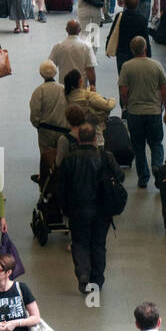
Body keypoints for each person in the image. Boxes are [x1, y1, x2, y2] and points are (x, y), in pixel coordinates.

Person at [56, 123, 122, 292]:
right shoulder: (106, 157)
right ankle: (97, 279)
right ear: (95, 138)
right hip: (102, 208)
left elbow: (62, 186)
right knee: (99, 244)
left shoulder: (69, 159)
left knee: (80, 243)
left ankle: (83, 275)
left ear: (78, 138)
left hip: (78, 209)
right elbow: (119, 176)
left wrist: (65, 209)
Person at [117, 36, 166, 189]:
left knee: (138, 146)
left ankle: (143, 178)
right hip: (154, 111)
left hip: (135, 112)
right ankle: (157, 167)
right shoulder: (156, 65)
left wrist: (126, 105)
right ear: (145, 48)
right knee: (156, 143)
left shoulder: (127, 67)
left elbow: (124, 91)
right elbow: (165, 91)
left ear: (132, 50)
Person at [30, 59, 69, 185]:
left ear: (41, 74)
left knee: (46, 157)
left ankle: (46, 184)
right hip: (63, 130)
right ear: (55, 72)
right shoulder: (64, 89)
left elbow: (35, 113)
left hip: (46, 130)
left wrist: (38, 125)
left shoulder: (38, 91)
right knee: (62, 157)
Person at [64, 67, 116, 146]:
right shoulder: (90, 96)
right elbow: (108, 106)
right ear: (80, 81)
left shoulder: (67, 97)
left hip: (76, 137)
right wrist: (112, 99)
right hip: (95, 136)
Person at [51, 18, 98, 90]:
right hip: (81, 87)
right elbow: (90, 69)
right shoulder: (86, 47)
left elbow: (50, 66)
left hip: (63, 86)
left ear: (66, 29)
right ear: (80, 30)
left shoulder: (58, 46)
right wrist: (93, 86)